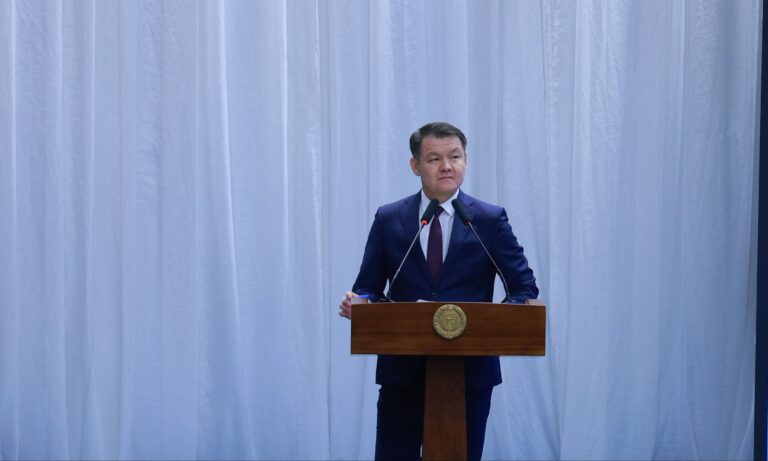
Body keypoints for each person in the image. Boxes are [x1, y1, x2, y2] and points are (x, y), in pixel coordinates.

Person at [338, 122, 538, 461]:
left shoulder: (489, 220)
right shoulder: (389, 218)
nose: (447, 166)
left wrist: (507, 314)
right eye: (434, 159)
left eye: (455, 157)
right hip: (403, 370)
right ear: (415, 165)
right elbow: (368, 286)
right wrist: (361, 303)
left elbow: (523, 287)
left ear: (465, 160)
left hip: (469, 371)